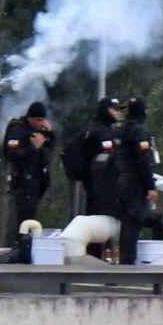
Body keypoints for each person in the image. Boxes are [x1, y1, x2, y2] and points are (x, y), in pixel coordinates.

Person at [61, 96, 125, 259]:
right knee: (99, 216)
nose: (118, 113)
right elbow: (110, 156)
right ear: (107, 110)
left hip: (90, 181)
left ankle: (95, 253)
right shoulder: (103, 130)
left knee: (92, 213)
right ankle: (96, 256)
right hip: (99, 184)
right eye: (115, 109)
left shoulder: (90, 126)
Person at [115, 95, 158, 264]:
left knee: (126, 224)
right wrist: (150, 186)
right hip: (135, 182)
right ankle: (128, 263)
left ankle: (125, 260)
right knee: (134, 223)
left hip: (121, 181)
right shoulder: (139, 131)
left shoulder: (119, 128)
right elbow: (144, 161)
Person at [3, 102, 54, 240]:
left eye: (42, 120)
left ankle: (27, 245)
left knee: (32, 215)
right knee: (24, 218)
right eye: (38, 120)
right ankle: (20, 246)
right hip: (23, 179)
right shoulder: (18, 129)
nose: (40, 123)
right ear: (30, 118)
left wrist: (50, 134)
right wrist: (33, 147)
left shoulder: (40, 130)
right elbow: (11, 155)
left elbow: (48, 151)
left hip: (37, 180)